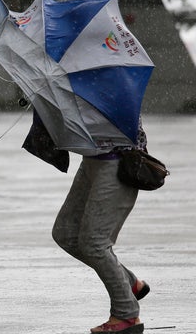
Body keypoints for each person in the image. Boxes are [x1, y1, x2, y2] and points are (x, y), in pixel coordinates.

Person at [52, 119, 151, 334]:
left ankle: (127, 315)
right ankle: (130, 283)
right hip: (92, 160)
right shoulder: (78, 85)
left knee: (94, 244)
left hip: (118, 162)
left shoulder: (112, 87)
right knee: (65, 233)